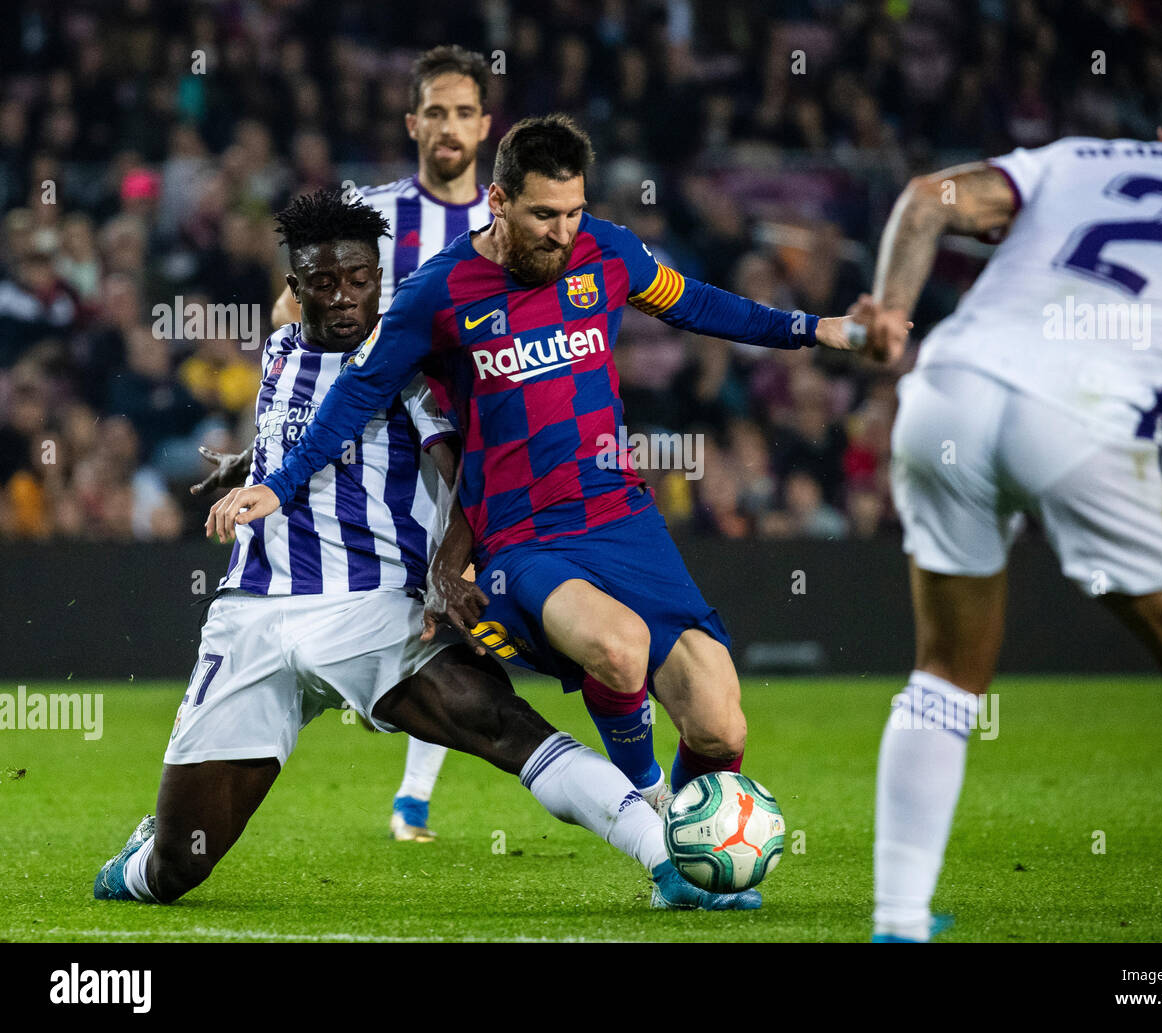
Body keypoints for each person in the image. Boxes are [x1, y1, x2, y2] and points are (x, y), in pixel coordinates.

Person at [206, 114, 905, 822]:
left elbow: (695, 304)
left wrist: (818, 329)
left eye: (574, 212)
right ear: (500, 202)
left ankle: (700, 852)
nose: (562, 231)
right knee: (619, 648)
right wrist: (276, 482)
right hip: (521, 532)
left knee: (721, 725)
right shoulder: (439, 291)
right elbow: (359, 389)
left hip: (620, 515)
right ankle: (654, 811)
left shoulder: (608, 254)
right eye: (544, 214)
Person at [95, 189, 758, 912]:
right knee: (176, 869)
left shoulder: (415, 367)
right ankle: (139, 861)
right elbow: (308, 427)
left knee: (506, 726)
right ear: (295, 291)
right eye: (324, 284)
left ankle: (669, 860)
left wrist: (451, 567)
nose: (346, 299)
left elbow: (464, 467)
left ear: (380, 280)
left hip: (374, 607)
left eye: (359, 281)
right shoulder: (280, 348)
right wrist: (252, 464)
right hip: (253, 614)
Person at [868, 53, 1162, 942]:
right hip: (1088, 422)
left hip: (948, 390)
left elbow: (925, 200)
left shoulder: (1079, 159)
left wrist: (890, 313)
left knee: (945, 670)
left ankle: (898, 923)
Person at [270, 45, 495, 843]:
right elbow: (287, 313)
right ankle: (410, 788)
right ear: (412, 122)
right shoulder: (372, 211)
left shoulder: (506, 223)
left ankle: (408, 771)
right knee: (430, 597)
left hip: (486, 431)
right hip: (385, 436)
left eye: (464, 111)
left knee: (459, 598)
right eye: (435, 110)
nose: (449, 125)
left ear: (485, 125)